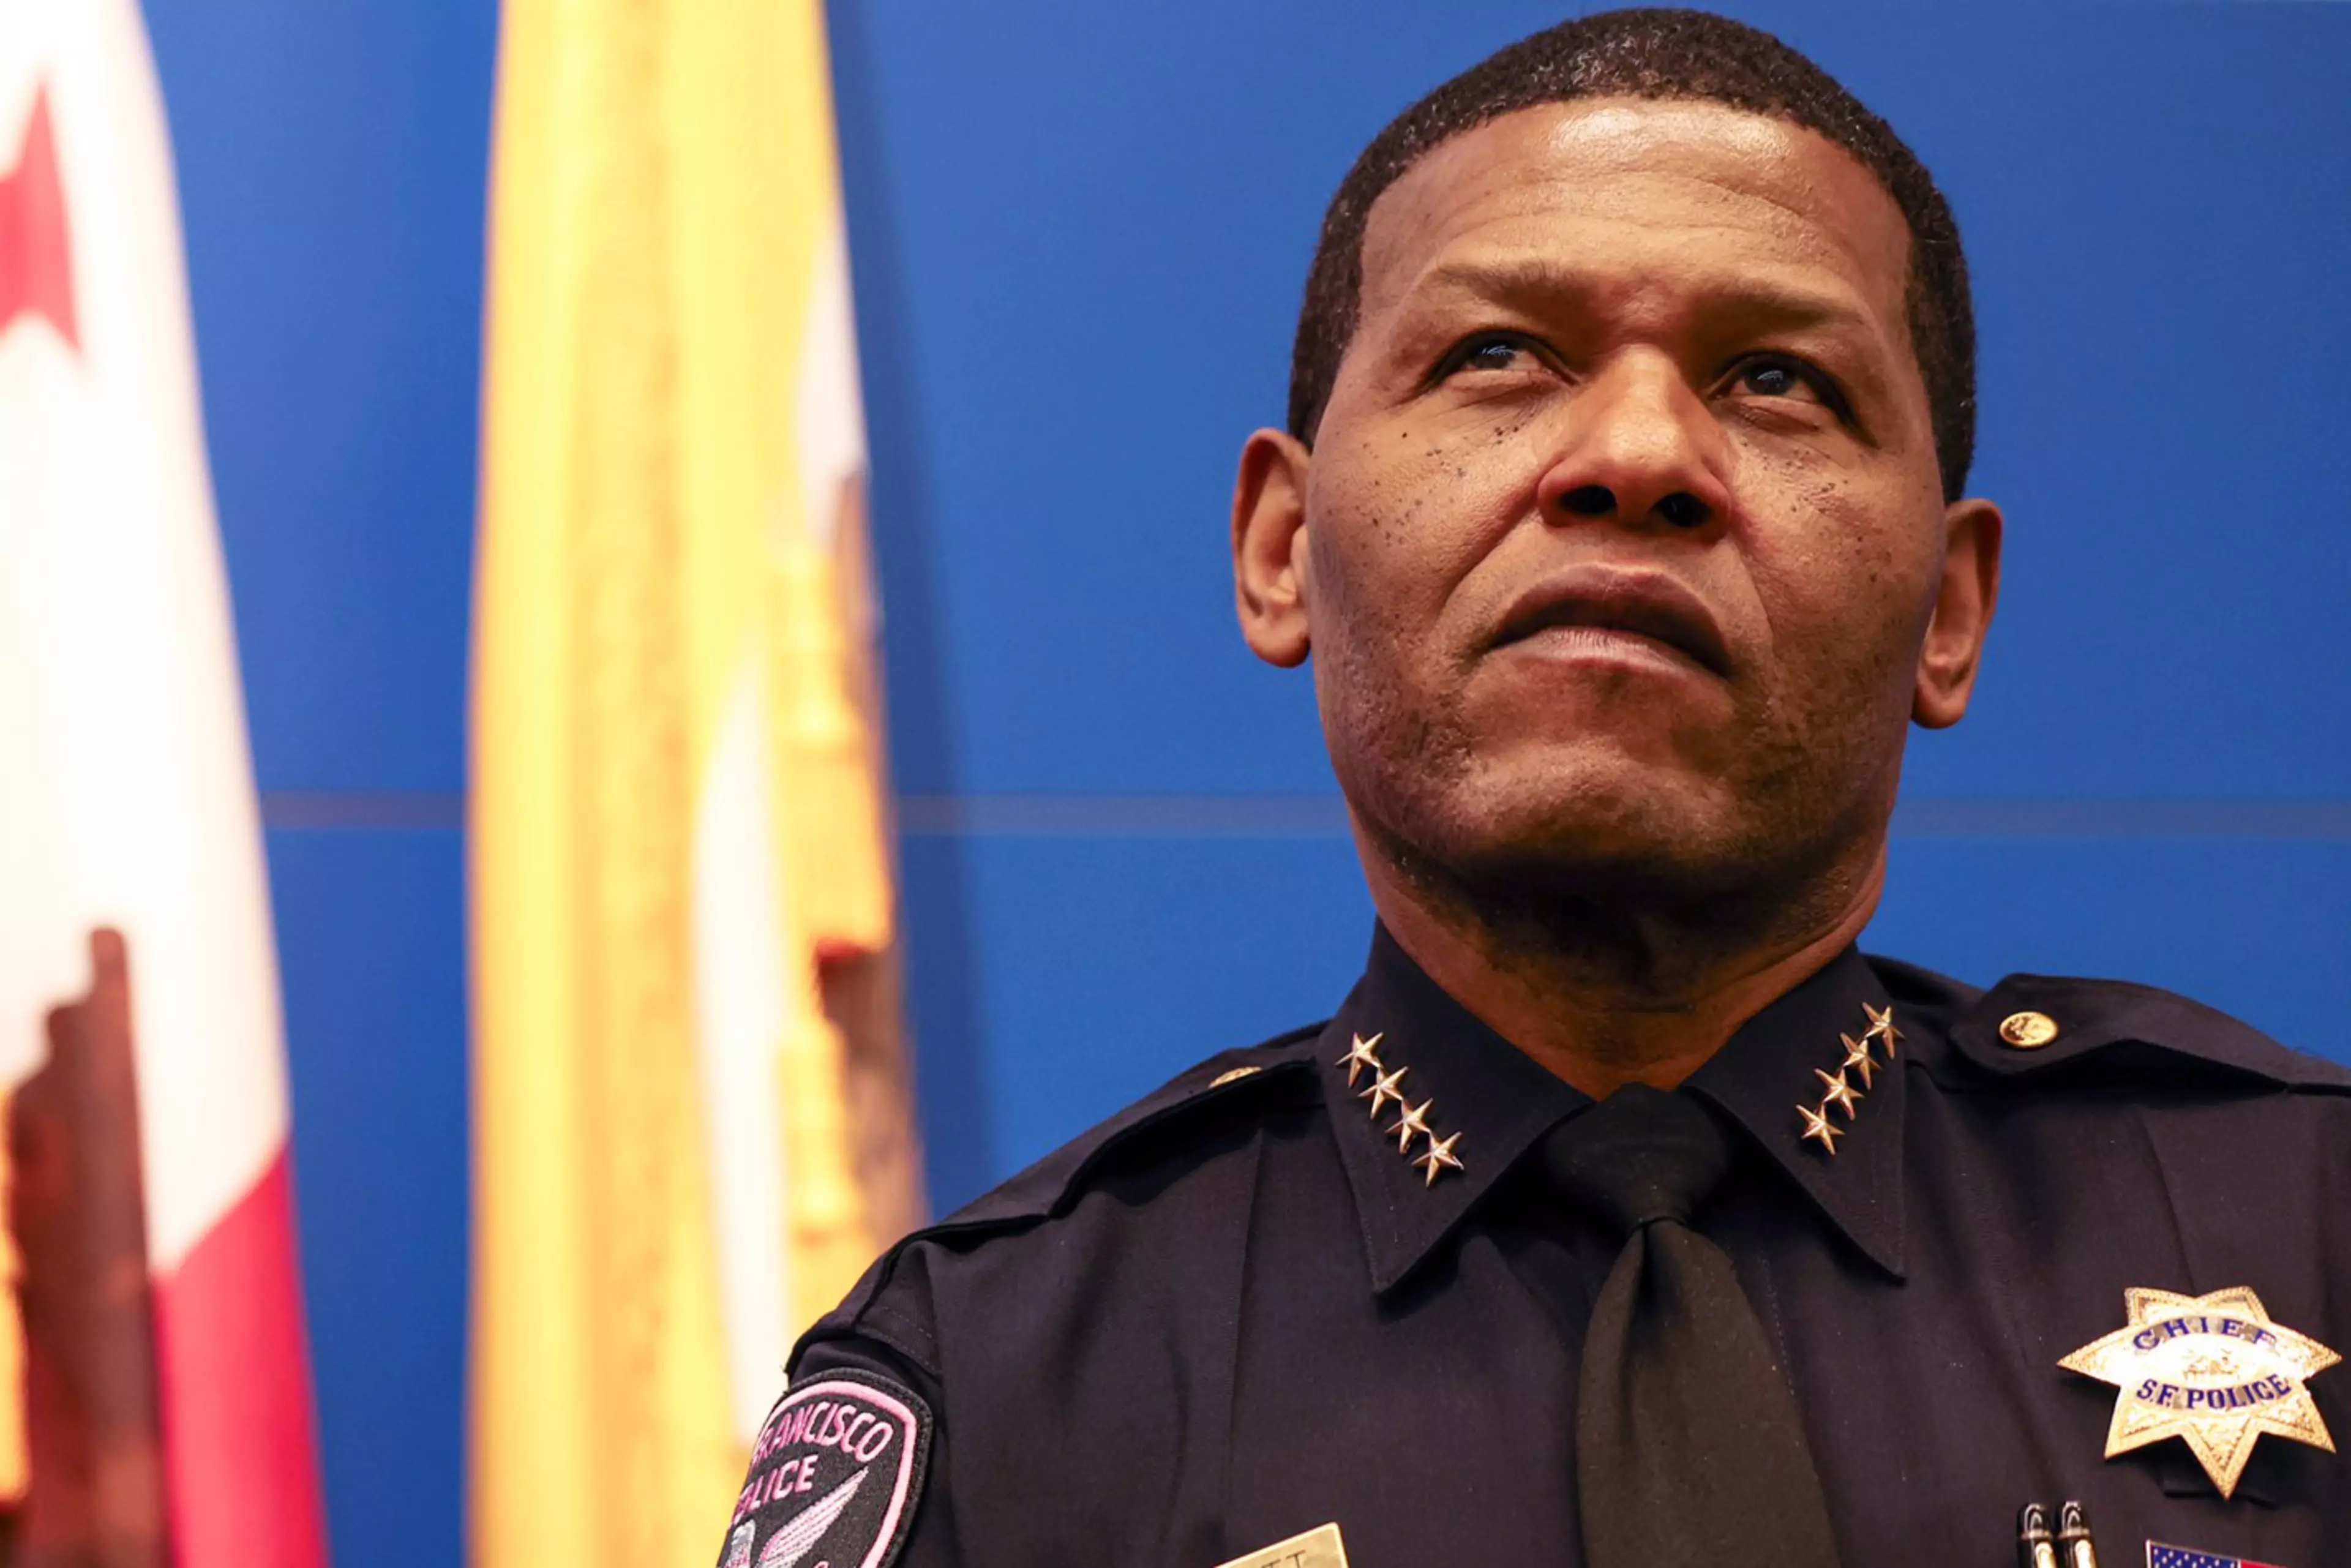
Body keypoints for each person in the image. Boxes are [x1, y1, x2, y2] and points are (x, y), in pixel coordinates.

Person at [714, 10, 2350, 1567]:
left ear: (1950, 607)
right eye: (1500, 354)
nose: (1639, 452)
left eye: (1779, 379)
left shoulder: (2308, 1220)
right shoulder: (1000, 1392)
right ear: (1283, 549)